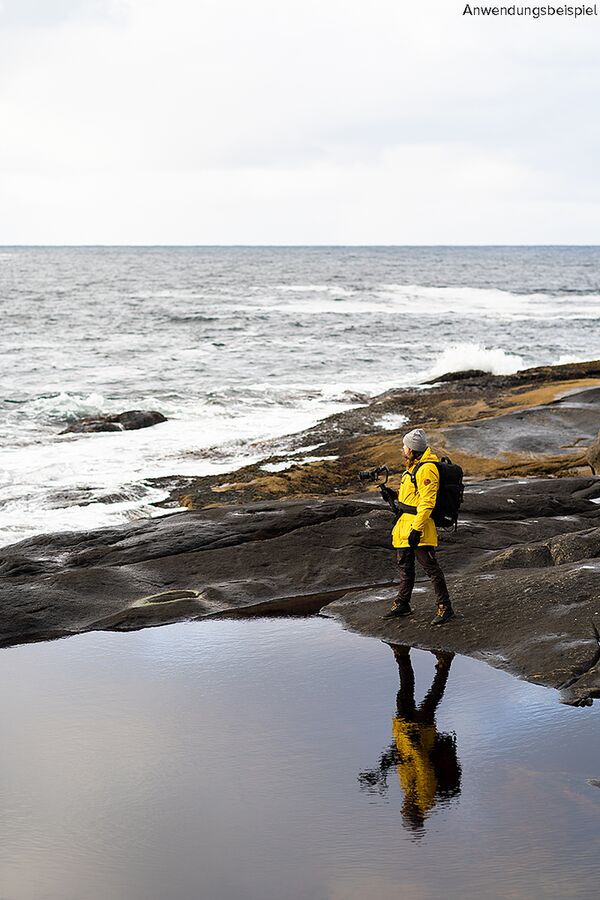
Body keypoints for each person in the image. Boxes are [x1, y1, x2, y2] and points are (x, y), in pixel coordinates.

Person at [358, 645, 461, 835]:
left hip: (406, 733)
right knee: (429, 698)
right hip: (419, 735)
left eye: (403, 810)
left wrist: (383, 769)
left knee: (407, 694)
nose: (403, 807)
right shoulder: (425, 794)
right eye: (405, 811)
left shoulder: (410, 792)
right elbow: (423, 767)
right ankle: (443, 662)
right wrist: (414, 744)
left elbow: (405, 763)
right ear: (414, 813)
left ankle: (403, 654)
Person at [381, 428, 455, 625]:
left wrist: (417, 529)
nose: (402, 449)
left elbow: (427, 502)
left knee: (431, 569)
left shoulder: (427, 469)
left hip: (418, 528)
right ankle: (402, 603)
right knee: (405, 568)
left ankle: (445, 607)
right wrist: (393, 495)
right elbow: (412, 497)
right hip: (404, 527)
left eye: (404, 446)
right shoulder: (412, 468)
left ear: (412, 449)